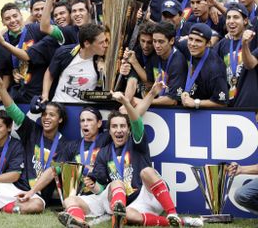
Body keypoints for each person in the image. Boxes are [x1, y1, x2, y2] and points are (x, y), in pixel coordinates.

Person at [57, 85, 203, 228]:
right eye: (114, 126)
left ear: (128, 129)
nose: (119, 130)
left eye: (122, 126)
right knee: (70, 200)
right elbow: (101, 187)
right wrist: (94, 185)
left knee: (146, 172)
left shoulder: (137, 143)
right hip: (119, 201)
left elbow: (137, 121)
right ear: (110, 130)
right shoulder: (104, 152)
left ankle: (173, 214)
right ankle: (79, 222)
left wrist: (126, 102)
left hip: (142, 196)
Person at [0, 73, 69, 213]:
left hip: (38, 194)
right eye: (44, 114)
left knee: (36, 207)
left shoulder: (65, 146)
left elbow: (52, 172)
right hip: (16, 187)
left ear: (60, 120)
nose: (46, 118)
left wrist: (31, 192)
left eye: (51, 115)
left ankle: (3, 207)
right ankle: (7, 205)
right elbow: (13, 111)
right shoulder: (32, 129)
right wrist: (2, 89)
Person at [42, 23, 108, 103]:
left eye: (106, 41)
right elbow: (50, 72)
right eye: (101, 42)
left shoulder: (101, 61)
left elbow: (105, 94)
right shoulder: (65, 52)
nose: (106, 45)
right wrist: (45, 95)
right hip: (59, 105)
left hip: (84, 111)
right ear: (86, 43)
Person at [213, 3, 254, 106]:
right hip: (230, 103)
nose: (231, 21)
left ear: (245, 21)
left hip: (249, 103)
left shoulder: (253, 40)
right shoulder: (222, 44)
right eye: (228, 18)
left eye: (236, 17)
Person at [180, 23, 228, 108]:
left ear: (208, 43)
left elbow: (222, 103)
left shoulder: (215, 69)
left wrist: (196, 103)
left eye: (198, 41)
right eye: (190, 39)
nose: (192, 44)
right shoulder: (187, 48)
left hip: (206, 115)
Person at [145, 21, 187, 106]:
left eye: (161, 42)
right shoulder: (154, 54)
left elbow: (173, 100)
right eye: (154, 41)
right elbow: (148, 83)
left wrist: (144, 102)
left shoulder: (178, 62)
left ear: (171, 41)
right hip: (158, 99)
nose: (156, 46)